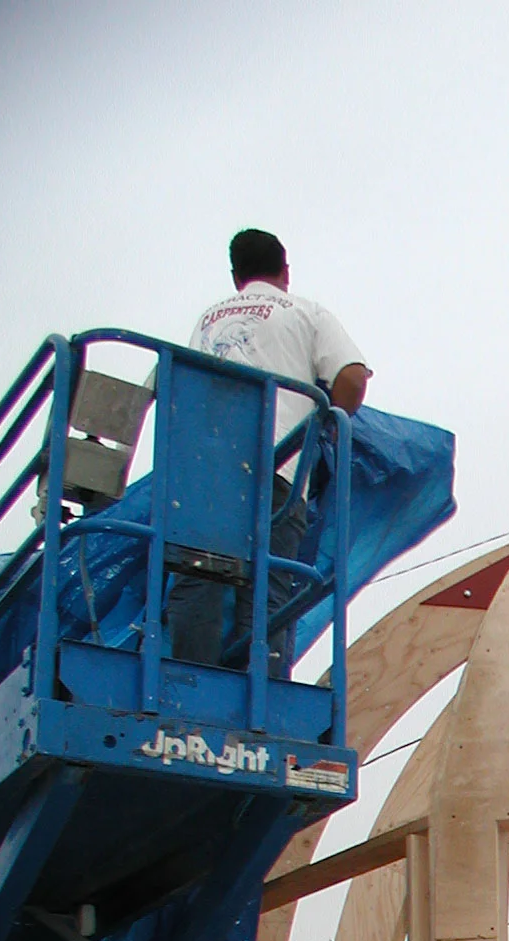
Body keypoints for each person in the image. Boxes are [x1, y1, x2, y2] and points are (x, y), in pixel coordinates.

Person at [167, 228, 371, 674]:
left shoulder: (207, 320)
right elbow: (353, 377)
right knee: (269, 587)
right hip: (275, 469)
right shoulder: (303, 311)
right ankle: (260, 698)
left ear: (236, 275)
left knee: (197, 578)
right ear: (286, 270)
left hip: (204, 473)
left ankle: (183, 688)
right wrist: (331, 424)